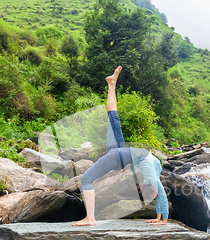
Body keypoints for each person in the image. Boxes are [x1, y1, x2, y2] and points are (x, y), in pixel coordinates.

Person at [72, 66, 169, 226]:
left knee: (86, 178)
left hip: (121, 155)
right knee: (113, 116)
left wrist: (161, 218)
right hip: (119, 154)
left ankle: (90, 219)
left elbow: (159, 194)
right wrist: (162, 219)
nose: (154, 196)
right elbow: (161, 195)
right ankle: (112, 83)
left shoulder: (155, 166)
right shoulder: (152, 176)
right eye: (152, 196)